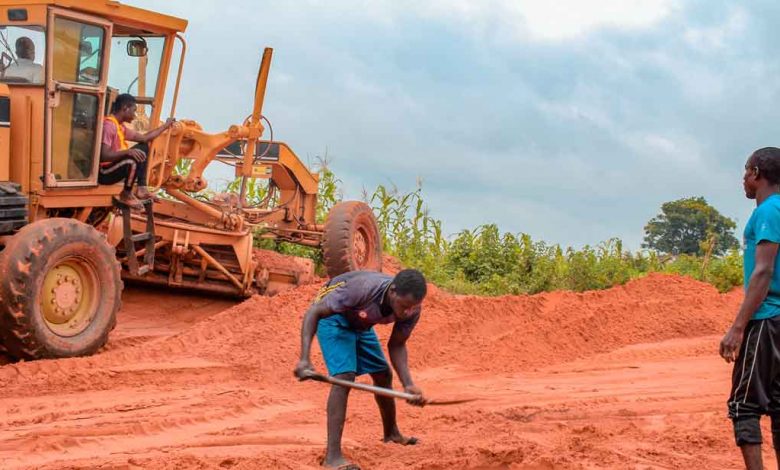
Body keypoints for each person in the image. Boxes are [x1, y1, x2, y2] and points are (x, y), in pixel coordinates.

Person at [294, 269, 428, 470]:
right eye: (404, 306)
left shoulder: (412, 309)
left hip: (361, 324)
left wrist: (408, 384)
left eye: (413, 307)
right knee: (344, 376)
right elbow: (315, 312)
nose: (408, 312)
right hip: (334, 318)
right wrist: (304, 359)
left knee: (383, 373)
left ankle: (391, 433)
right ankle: (332, 457)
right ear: (392, 292)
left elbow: (397, 345)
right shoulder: (361, 289)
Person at [721, 146, 780, 470]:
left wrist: (738, 327)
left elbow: (763, 271)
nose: (743, 178)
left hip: (767, 320)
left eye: (746, 171)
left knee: (744, 406)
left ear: (757, 173)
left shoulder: (769, 211)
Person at [99, 93, 174, 208]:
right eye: (133, 111)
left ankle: (142, 187)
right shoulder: (109, 126)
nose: (134, 116)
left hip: (115, 167)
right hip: (105, 173)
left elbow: (145, 138)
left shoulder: (120, 127)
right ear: (125, 108)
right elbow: (104, 156)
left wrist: (166, 126)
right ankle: (126, 193)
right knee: (131, 159)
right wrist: (127, 152)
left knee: (143, 146)